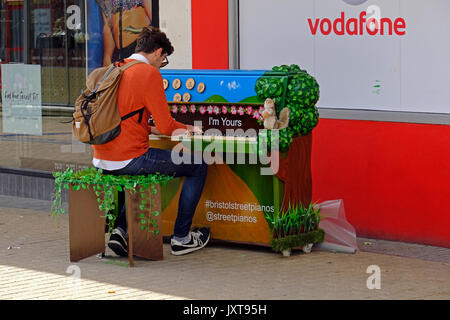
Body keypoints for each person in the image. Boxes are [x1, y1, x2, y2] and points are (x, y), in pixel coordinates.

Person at [92, 26, 209, 256]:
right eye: (163, 60)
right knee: (198, 165)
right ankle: (182, 238)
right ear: (158, 52)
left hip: (101, 157)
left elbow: (125, 115)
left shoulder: (115, 68)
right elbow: (167, 126)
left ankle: (120, 232)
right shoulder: (148, 73)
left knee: (140, 175)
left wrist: (148, 127)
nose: (161, 65)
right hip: (129, 158)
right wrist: (189, 128)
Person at [96, 0, 153, 66]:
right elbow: (108, 29)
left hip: (140, 44)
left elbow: (154, 19)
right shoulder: (106, 3)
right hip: (122, 52)